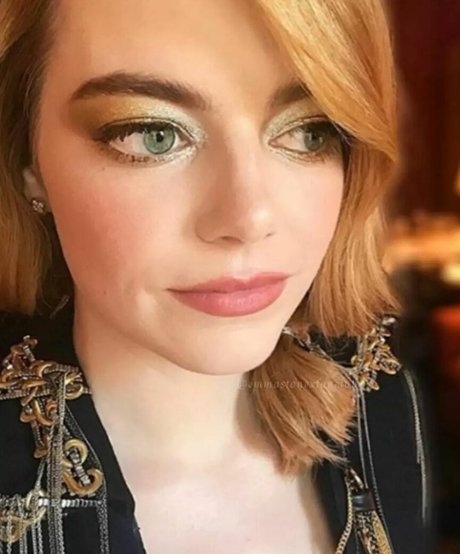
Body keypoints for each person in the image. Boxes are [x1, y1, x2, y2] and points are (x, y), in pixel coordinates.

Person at [0, 0, 434, 552]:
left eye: (309, 131)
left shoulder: (388, 402)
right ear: (28, 161)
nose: (248, 219)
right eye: (152, 134)